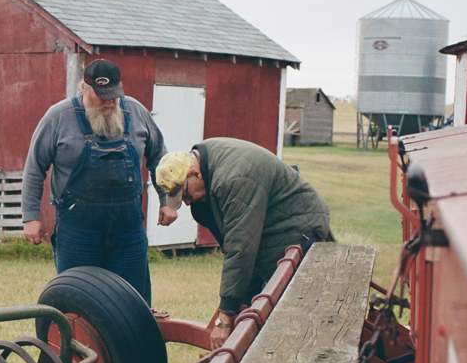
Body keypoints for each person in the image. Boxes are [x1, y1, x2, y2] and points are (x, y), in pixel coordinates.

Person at [21, 59, 176, 305]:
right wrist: (31, 217)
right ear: (84, 88)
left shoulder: (135, 112)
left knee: (133, 302)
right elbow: (34, 167)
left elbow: (160, 158)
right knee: (78, 300)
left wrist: (167, 201)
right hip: (78, 230)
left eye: (114, 95)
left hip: (128, 229)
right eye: (102, 95)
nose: (109, 101)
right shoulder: (58, 117)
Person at [155, 139, 331, 347]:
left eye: (185, 194)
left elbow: (241, 248)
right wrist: (241, 303)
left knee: (294, 313)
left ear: (195, 173)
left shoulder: (233, 179)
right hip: (269, 228)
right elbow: (234, 246)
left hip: (299, 229)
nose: (186, 202)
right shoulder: (206, 162)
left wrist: (225, 317)